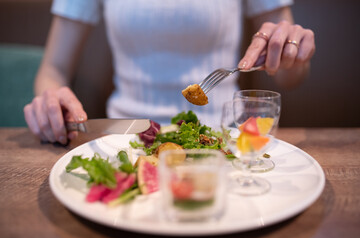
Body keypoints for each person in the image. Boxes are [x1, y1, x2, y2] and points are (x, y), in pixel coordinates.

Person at [24, 0, 315, 145]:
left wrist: (293, 55)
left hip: (227, 141)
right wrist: (50, 100)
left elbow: (291, 77)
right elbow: (52, 70)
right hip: (124, 140)